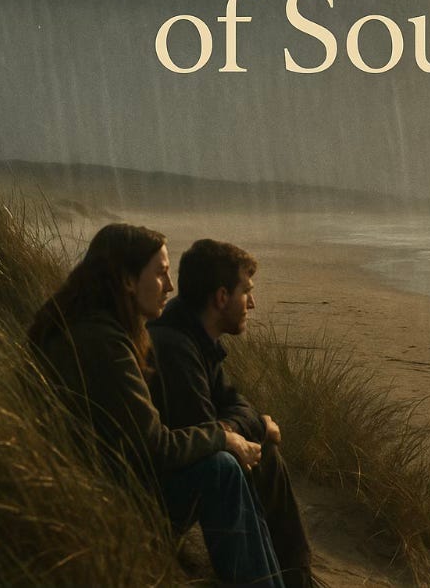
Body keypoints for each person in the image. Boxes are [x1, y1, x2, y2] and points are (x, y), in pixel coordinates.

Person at [29, 223, 285, 587]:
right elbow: (154, 447)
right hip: (110, 498)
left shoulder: (97, 328)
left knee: (231, 463)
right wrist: (224, 438)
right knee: (221, 470)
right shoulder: (103, 343)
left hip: (101, 481)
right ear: (129, 280)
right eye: (161, 274)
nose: (169, 286)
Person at [148, 239, 318, 588]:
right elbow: (204, 439)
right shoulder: (175, 346)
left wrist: (252, 427)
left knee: (263, 455)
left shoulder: (197, 338)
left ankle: (297, 581)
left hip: (182, 469)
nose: (251, 304)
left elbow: (237, 403)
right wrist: (251, 429)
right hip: (149, 493)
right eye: (246, 293)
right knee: (228, 465)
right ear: (221, 297)